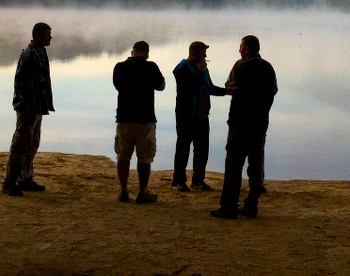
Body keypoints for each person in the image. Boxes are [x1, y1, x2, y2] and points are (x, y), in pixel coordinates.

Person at [211, 34, 277, 219]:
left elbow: (231, 87)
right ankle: (251, 206)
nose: (239, 50)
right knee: (255, 166)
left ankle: (229, 207)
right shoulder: (268, 67)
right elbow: (273, 90)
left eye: (241, 47)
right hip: (260, 123)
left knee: (233, 166)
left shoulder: (241, 66)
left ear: (247, 49)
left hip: (240, 123)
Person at [3, 22, 54, 196]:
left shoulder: (40, 52)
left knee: (32, 144)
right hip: (28, 108)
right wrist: (29, 104)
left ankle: (26, 179)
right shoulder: (29, 54)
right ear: (37, 35)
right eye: (48, 34)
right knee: (20, 145)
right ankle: (10, 182)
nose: (50, 37)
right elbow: (21, 82)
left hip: (38, 107)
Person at [113, 40, 166, 203]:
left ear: (132, 52)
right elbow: (161, 85)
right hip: (145, 118)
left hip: (124, 117)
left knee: (123, 155)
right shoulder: (151, 67)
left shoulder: (120, 67)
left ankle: (123, 190)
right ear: (147, 54)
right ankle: (142, 192)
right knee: (144, 157)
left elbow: (117, 86)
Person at [171, 41, 227, 192]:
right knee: (183, 148)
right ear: (194, 53)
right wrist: (201, 72)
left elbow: (209, 88)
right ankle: (178, 181)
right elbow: (189, 87)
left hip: (202, 115)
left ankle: (198, 180)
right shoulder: (182, 68)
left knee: (202, 149)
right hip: (186, 115)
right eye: (203, 53)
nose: (205, 56)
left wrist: (227, 91)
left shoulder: (202, 69)